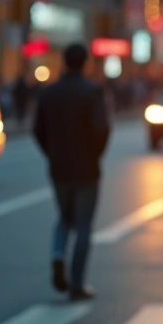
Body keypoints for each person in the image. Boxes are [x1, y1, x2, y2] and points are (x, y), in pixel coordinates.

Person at [34, 44, 111, 301]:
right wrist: (94, 154)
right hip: (87, 167)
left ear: (64, 61)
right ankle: (76, 283)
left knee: (64, 217)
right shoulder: (93, 92)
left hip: (59, 167)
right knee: (83, 225)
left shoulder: (49, 93)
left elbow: (38, 130)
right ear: (85, 62)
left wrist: (52, 153)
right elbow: (102, 129)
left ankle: (58, 255)